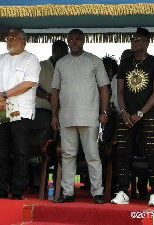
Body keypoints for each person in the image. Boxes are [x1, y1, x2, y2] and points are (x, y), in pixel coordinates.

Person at [51, 29, 109, 204]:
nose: (74, 42)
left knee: (92, 155)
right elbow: (55, 91)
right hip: (67, 115)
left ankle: (97, 192)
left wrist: (103, 112)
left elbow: (103, 89)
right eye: (71, 39)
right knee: (68, 155)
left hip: (90, 115)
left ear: (83, 41)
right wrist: (54, 115)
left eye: (77, 39)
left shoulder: (94, 61)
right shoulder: (61, 63)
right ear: (67, 41)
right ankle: (68, 192)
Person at [0, 29, 40, 200]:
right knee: (0, 151)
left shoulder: (31, 59)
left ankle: (17, 191)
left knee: (20, 152)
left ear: (23, 41)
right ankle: (0, 190)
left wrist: (4, 95)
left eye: (13, 39)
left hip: (20, 111)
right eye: (8, 38)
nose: (9, 41)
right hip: (0, 110)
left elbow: (29, 83)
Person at [111, 27, 154, 207]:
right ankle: (122, 191)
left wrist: (140, 113)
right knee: (123, 152)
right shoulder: (124, 64)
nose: (133, 42)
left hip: (147, 115)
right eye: (132, 39)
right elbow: (119, 91)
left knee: (150, 151)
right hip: (126, 116)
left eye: (137, 39)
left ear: (147, 42)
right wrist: (124, 111)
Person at [28, 40, 68, 193]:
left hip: (63, 113)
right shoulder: (41, 66)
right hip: (42, 111)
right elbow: (32, 85)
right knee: (41, 146)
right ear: (54, 51)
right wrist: (47, 96)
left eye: (66, 52)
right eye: (61, 52)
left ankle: (61, 184)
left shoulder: (68, 66)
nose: (64, 55)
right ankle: (38, 183)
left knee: (61, 149)